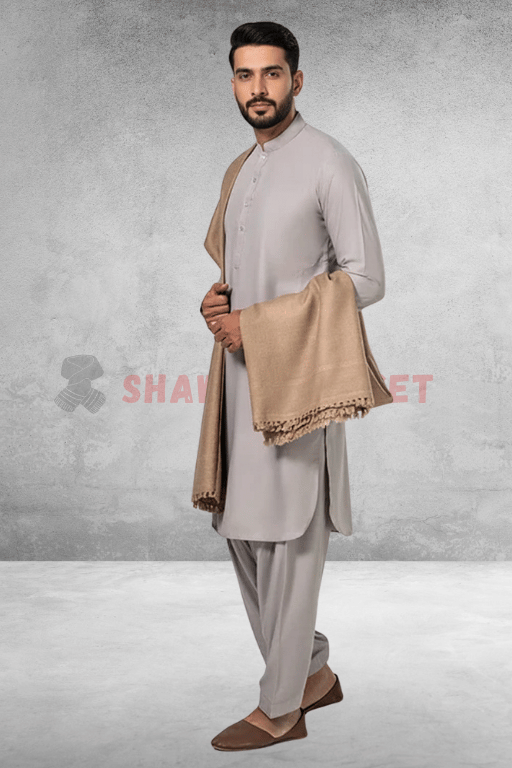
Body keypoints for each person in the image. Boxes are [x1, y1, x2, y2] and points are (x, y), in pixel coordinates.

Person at [199, 21, 386, 751]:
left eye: (272, 74)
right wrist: (218, 305)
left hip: (301, 379)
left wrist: (260, 325)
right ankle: (310, 672)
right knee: (242, 529)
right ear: (234, 83)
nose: (258, 88)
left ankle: (281, 709)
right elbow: (238, 271)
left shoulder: (328, 162)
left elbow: (365, 278)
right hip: (236, 380)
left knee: (289, 534)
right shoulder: (240, 168)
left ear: (296, 80)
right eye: (245, 75)